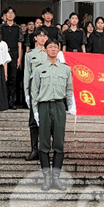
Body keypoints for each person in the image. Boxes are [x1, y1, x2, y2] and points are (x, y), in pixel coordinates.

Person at [32, 38, 75, 191]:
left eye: (55, 47)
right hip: (44, 106)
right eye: (50, 47)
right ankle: (46, 179)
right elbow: (34, 92)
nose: (52, 49)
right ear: (45, 50)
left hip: (59, 107)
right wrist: (35, 111)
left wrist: (71, 106)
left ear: (58, 50)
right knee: (44, 144)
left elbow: (69, 89)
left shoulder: (65, 69)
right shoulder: (39, 69)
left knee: (58, 144)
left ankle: (56, 179)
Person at [23, 28, 48, 162]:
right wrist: (26, 93)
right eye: (40, 36)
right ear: (35, 38)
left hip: (48, 87)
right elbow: (27, 74)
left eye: (44, 36)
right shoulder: (30, 54)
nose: (42, 38)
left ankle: (45, 150)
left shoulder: (51, 52)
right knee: (34, 120)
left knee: (47, 120)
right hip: (35, 88)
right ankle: (34, 150)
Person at [0, 7, 23, 109]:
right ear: (5, 15)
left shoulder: (18, 28)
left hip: (14, 53)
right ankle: (3, 101)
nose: (10, 15)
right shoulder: (1, 27)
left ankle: (11, 101)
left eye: (12, 13)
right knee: (3, 77)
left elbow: (20, 44)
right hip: (3, 53)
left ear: (15, 15)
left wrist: (19, 58)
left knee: (13, 78)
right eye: (8, 13)